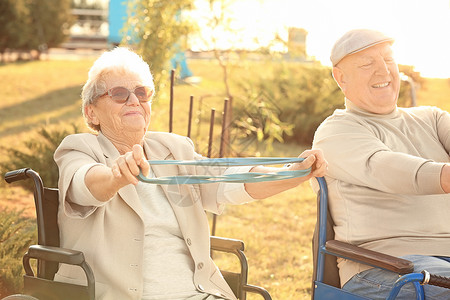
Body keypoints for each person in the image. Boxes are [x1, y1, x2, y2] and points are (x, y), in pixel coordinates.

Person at [53, 47, 327, 300]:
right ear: (92, 113)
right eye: (119, 94)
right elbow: (82, 184)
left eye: (142, 92)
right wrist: (116, 176)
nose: (134, 100)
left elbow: (228, 179)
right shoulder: (80, 147)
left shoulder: (173, 148)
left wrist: (292, 174)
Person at [312, 29, 450, 299]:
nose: (382, 71)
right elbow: (388, 168)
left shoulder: (431, 118)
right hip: (383, 266)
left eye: (388, 59)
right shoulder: (336, 131)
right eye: (366, 64)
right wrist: (445, 175)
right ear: (340, 78)